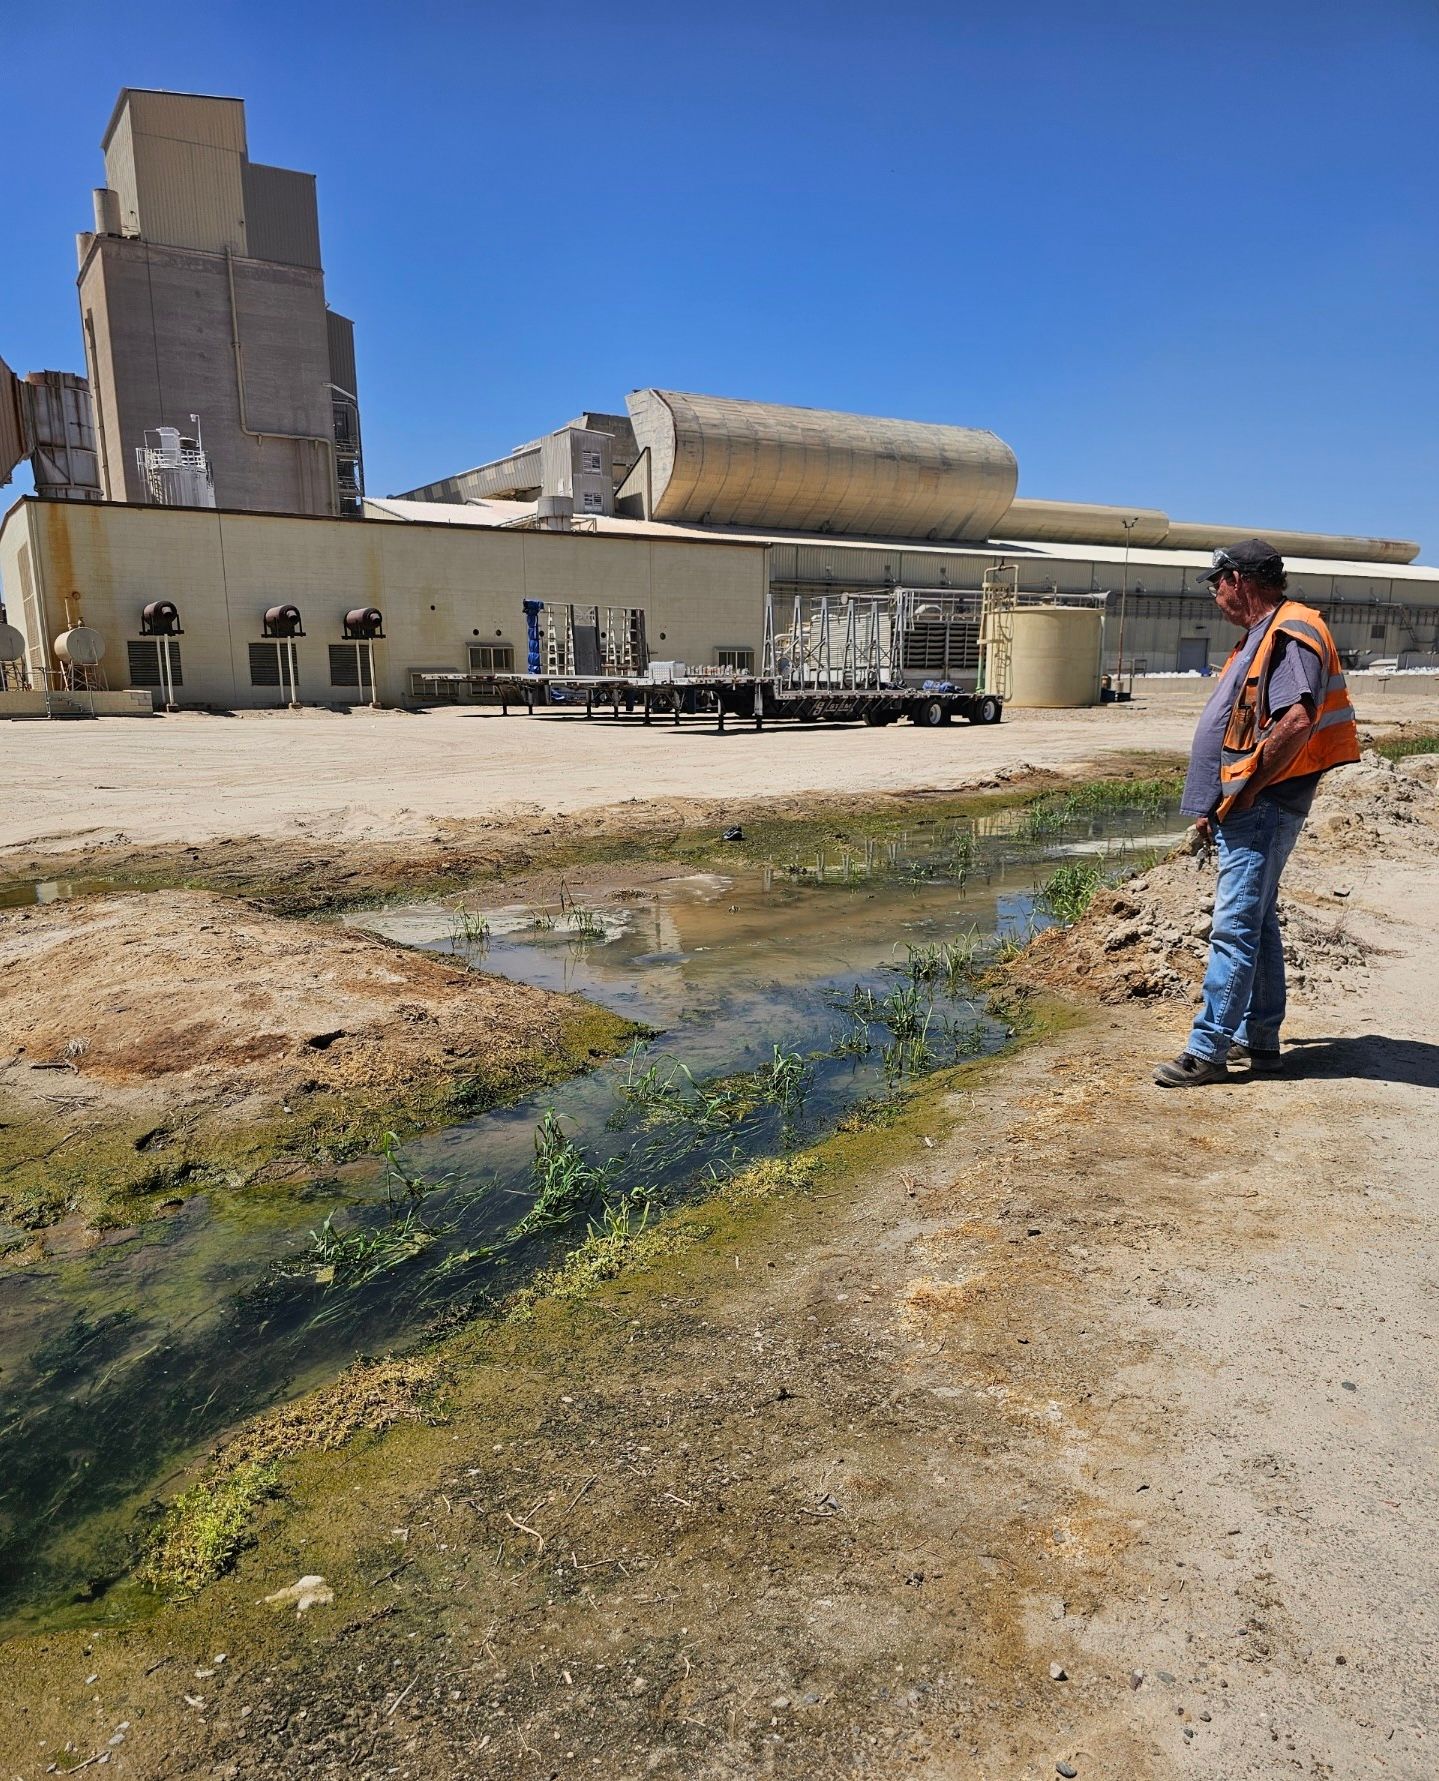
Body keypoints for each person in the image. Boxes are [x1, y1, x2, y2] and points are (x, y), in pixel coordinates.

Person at [1153, 539, 1359, 1087]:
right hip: (1248, 804)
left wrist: (1247, 789)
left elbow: (1296, 721)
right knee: (1259, 923)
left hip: (1264, 805)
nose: (1215, 594)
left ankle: (1207, 1050)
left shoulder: (1290, 631)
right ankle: (1258, 1040)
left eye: (1216, 582)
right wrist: (1216, 803)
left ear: (1238, 579)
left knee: (1234, 926)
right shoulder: (1261, 637)